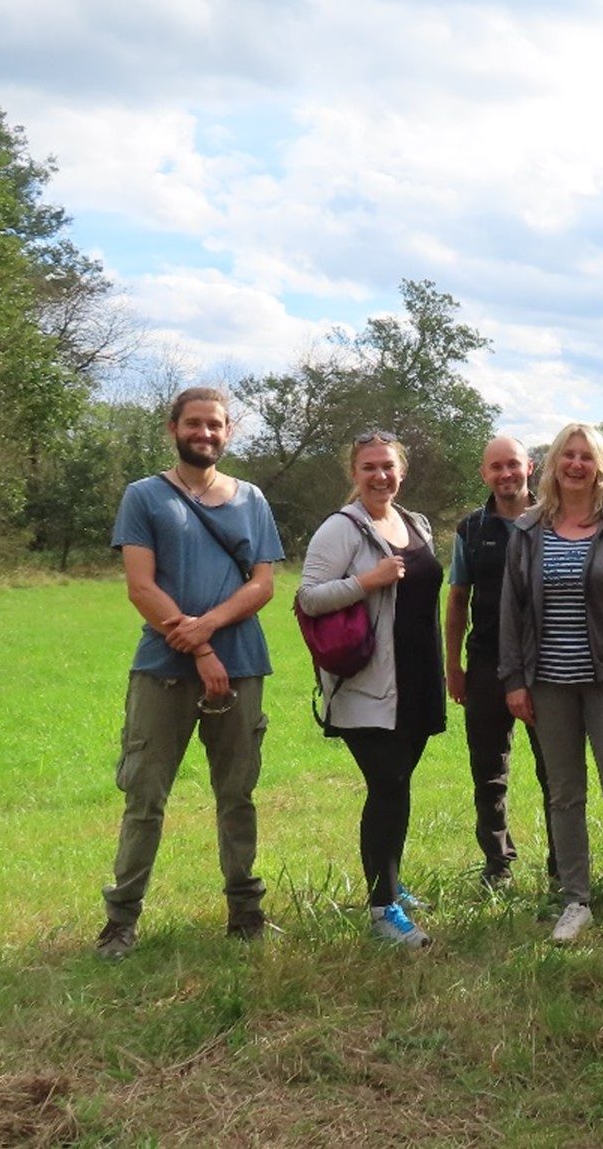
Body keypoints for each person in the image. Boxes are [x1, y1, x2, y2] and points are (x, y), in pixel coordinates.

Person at [96, 387, 286, 960]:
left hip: (242, 666)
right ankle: (121, 921)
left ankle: (245, 913)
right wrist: (199, 648)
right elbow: (140, 586)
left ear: (228, 432)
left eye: (215, 425)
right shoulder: (144, 496)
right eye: (194, 423)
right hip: (163, 668)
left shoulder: (251, 499)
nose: (205, 433)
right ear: (173, 428)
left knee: (237, 794)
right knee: (145, 796)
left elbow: (263, 584)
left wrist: (209, 627)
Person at [500, 423, 603, 945]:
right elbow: (511, 611)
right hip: (548, 684)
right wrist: (514, 680)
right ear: (553, 464)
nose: (576, 464)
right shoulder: (529, 529)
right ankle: (576, 901)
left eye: (586, 456)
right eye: (567, 455)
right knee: (565, 795)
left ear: (599, 466)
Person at [298, 431, 447, 949]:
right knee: (387, 786)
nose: (380, 475)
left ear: (401, 471)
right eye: (369, 467)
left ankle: (391, 883)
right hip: (368, 685)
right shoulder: (340, 529)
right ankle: (383, 912)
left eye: (388, 466)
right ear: (354, 473)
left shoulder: (415, 523)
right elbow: (309, 598)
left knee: (398, 786)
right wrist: (368, 581)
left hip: (417, 681)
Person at [446, 435, 552, 890]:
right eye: (496, 467)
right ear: (484, 474)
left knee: (556, 772)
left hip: (548, 663)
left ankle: (563, 868)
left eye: (513, 464)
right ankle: (497, 864)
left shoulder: (556, 519)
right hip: (487, 661)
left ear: (530, 467)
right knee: (488, 771)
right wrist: (453, 665)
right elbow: (457, 599)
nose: (505, 474)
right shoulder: (470, 529)